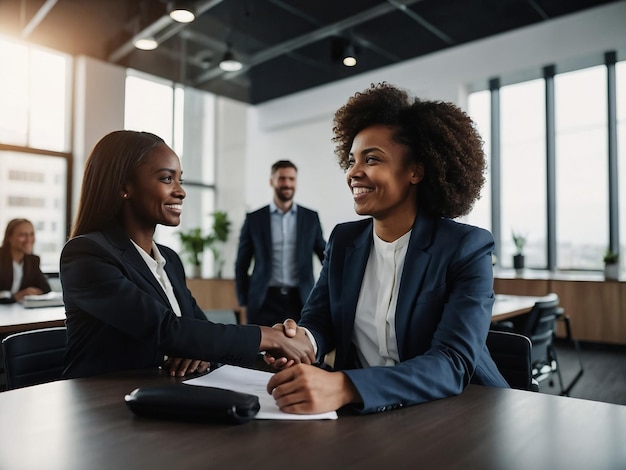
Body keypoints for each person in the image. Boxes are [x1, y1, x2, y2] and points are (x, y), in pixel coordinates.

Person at [265, 83, 509, 415]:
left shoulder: (466, 247)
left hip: (461, 412)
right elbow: (320, 321)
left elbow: (452, 362)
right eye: (351, 161)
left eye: (372, 159)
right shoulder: (344, 240)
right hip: (368, 416)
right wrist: (301, 341)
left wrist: (346, 385)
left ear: (416, 171)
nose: (353, 173)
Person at [60, 130, 314, 379]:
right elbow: (166, 330)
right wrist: (269, 337)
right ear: (124, 186)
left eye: (180, 179)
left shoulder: (170, 260)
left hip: (164, 394)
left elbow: (200, 332)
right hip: (102, 406)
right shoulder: (86, 255)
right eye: (166, 179)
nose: (181, 191)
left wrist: (199, 345)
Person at [235, 160, 326, 326]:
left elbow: (325, 256)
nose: (287, 184)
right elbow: (242, 263)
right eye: (282, 178)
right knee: (260, 351)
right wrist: (243, 302)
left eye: (291, 179)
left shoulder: (310, 218)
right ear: (272, 181)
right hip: (264, 301)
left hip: (301, 300)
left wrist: (328, 293)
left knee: (299, 350)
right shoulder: (254, 219)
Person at [0, 218, 51, 304]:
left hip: (19, 312)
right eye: (22, 235)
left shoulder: (32, 260)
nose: (29, 239)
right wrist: (15, 296)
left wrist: (36, 292)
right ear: (9, 237)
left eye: (31, 234)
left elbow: (46, 289)